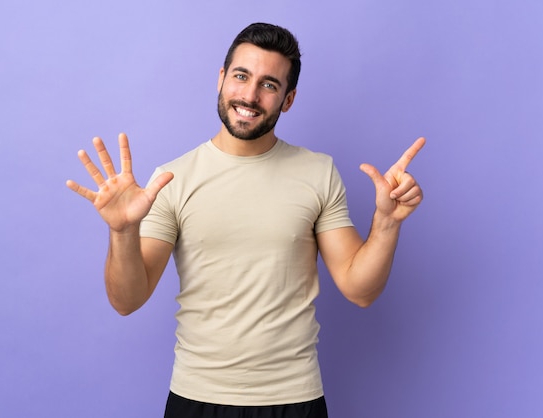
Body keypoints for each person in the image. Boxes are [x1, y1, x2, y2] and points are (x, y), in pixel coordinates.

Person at [67, 22, 424, 418]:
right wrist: (123, 231)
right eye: (241, 76)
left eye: (269, 85)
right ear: (221, 79)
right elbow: (126, 300)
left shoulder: (317, 172)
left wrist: (387, 223)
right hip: (196, 397)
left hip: (295, 399)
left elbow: (361, 290)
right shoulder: (172, 178)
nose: (250, 95)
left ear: (288, 100)